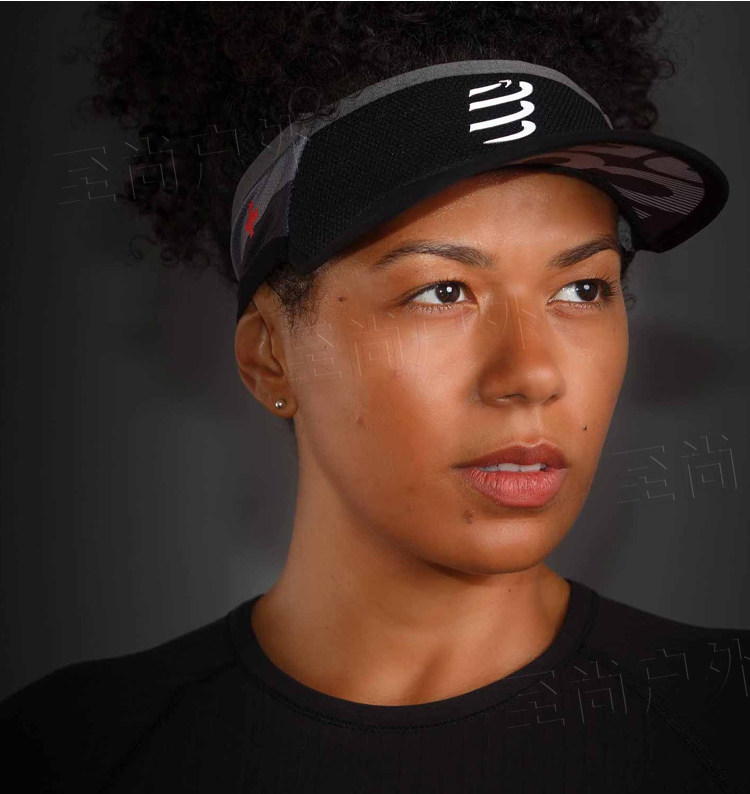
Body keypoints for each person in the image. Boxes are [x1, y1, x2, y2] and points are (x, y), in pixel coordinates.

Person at [1, 3, 748, 792]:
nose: (531, 373)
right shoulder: (65, 754)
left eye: (583, 288)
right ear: (270, 357)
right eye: (443, 291)